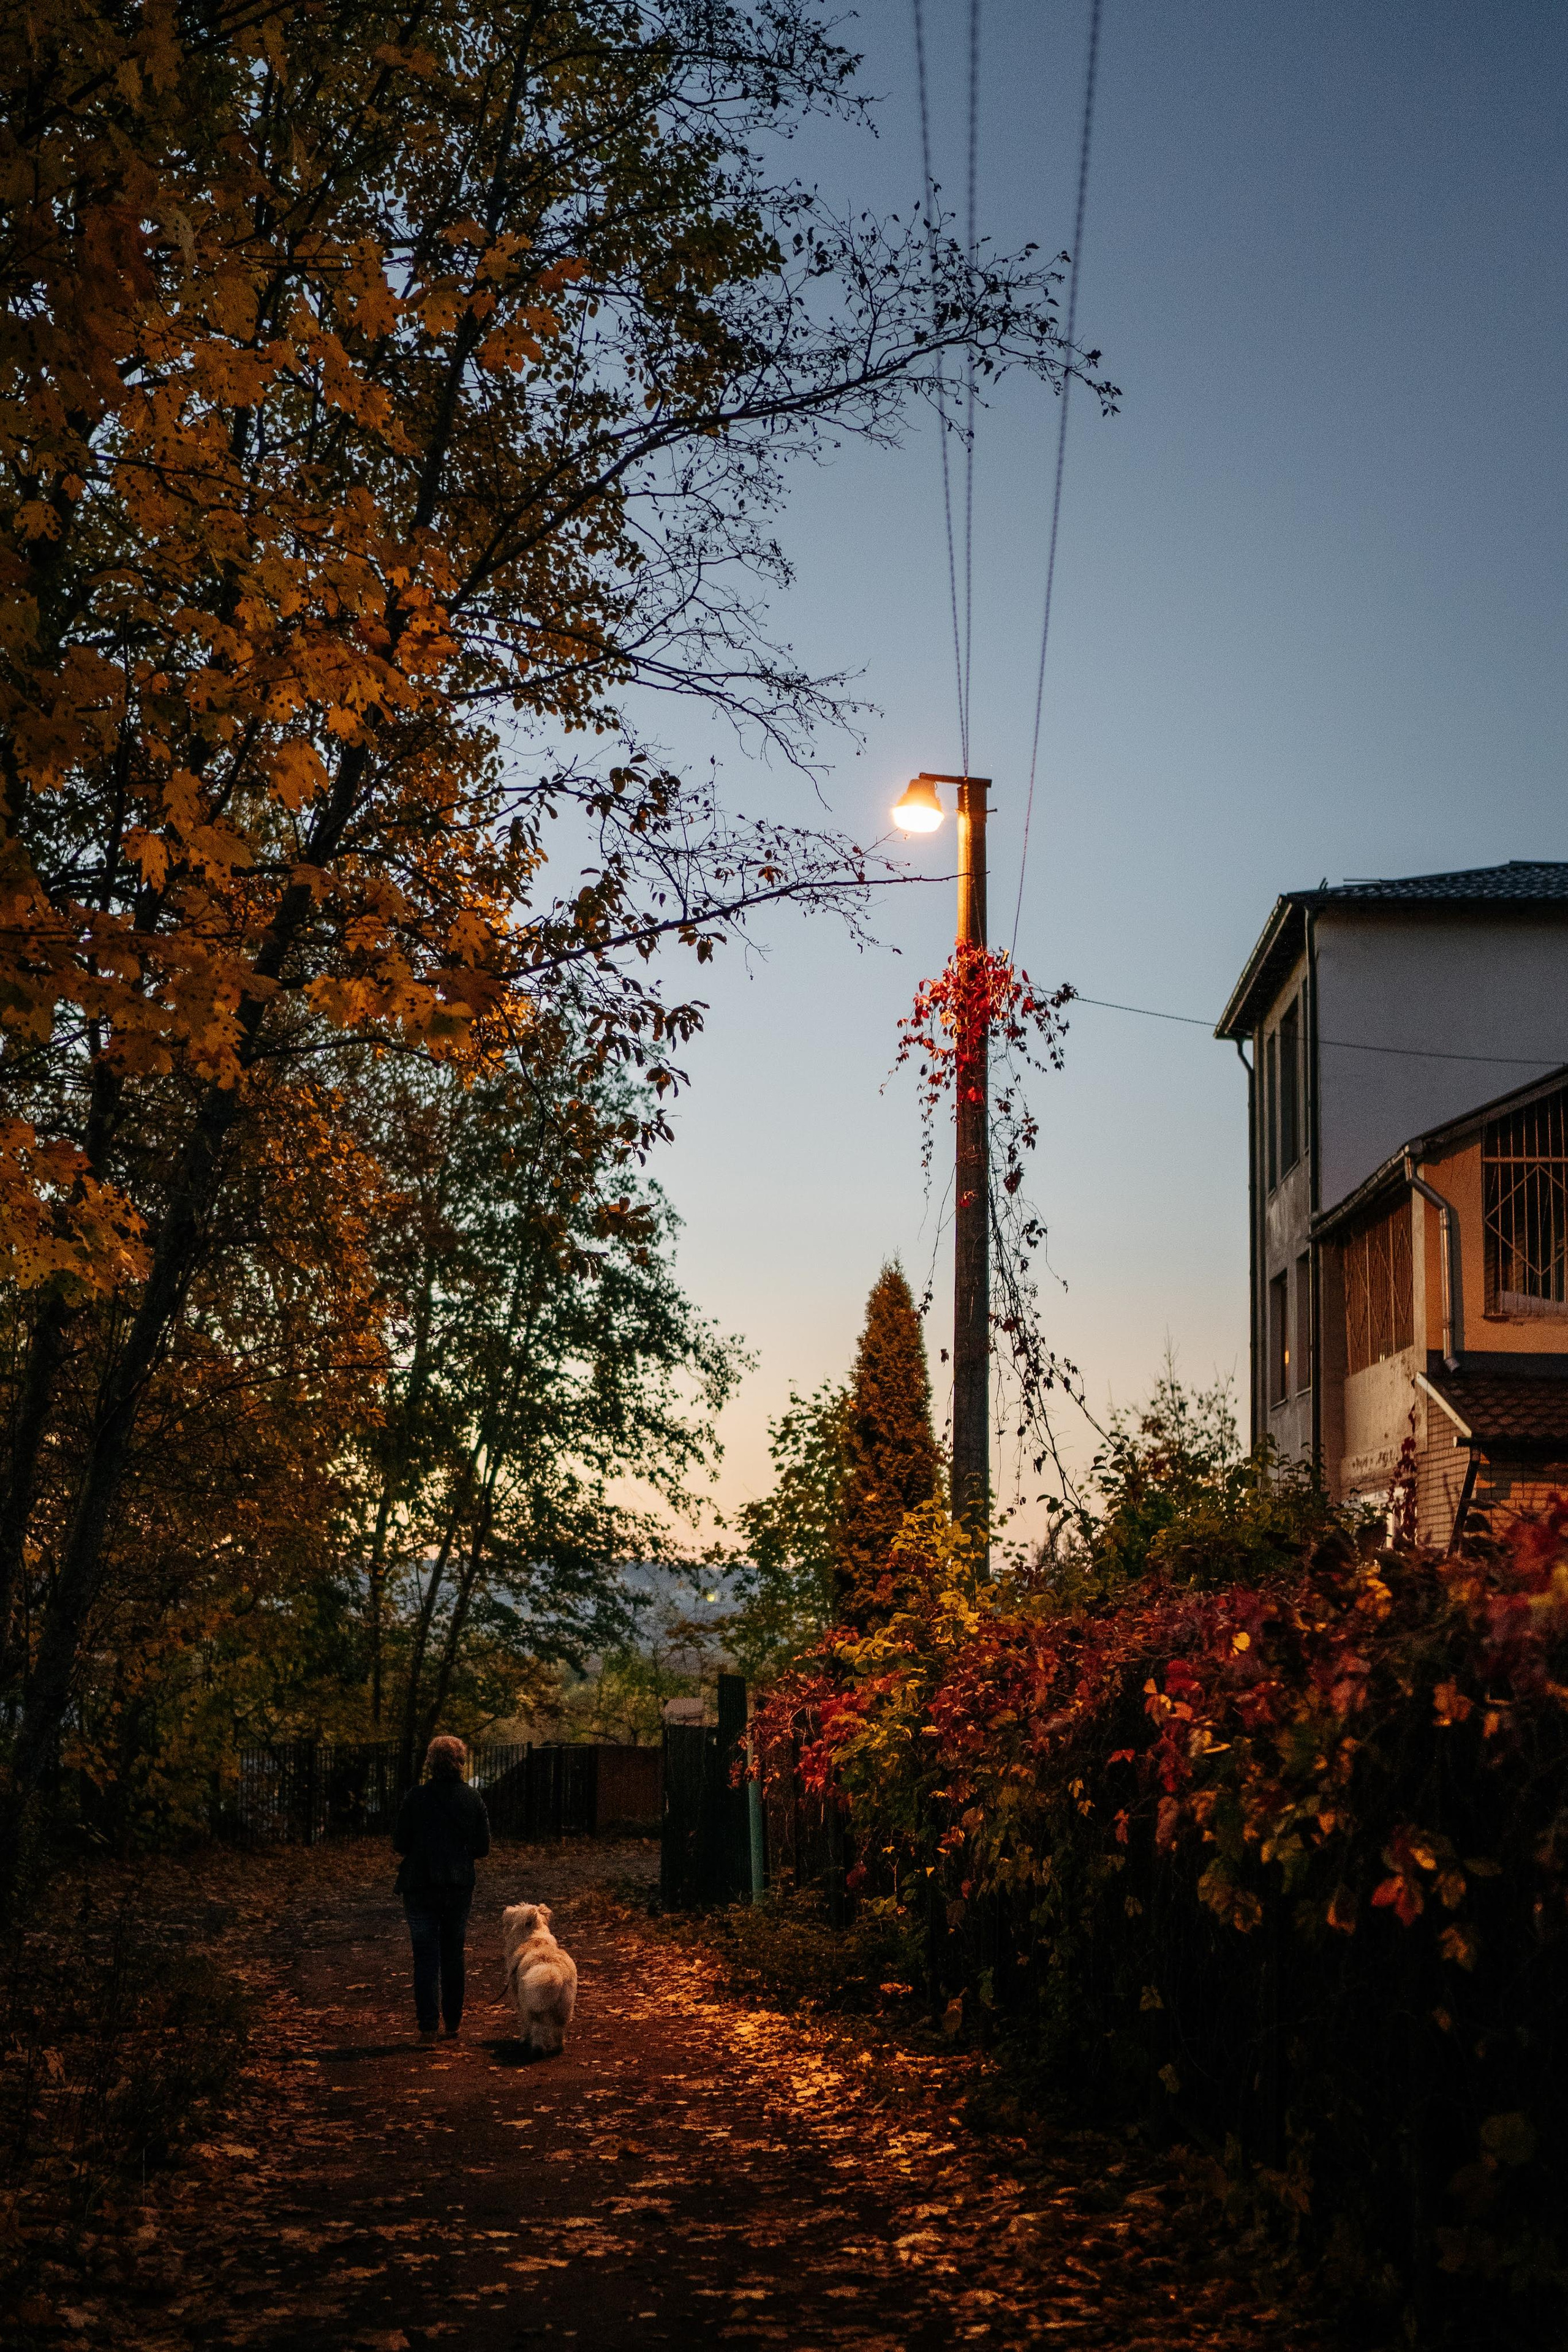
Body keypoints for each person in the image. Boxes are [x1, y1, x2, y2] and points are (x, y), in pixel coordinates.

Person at [393, 1735, 491, 2041]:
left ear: (430, 1762)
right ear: (461, 1763)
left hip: (420, 1885)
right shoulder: (472, 1799)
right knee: (453, 1954)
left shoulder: (415, 1797)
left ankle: (427, 2028)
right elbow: (483, 1846)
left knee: (425, 1957)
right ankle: (453, 2022)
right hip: (458, 1885)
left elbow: (400, 1844)